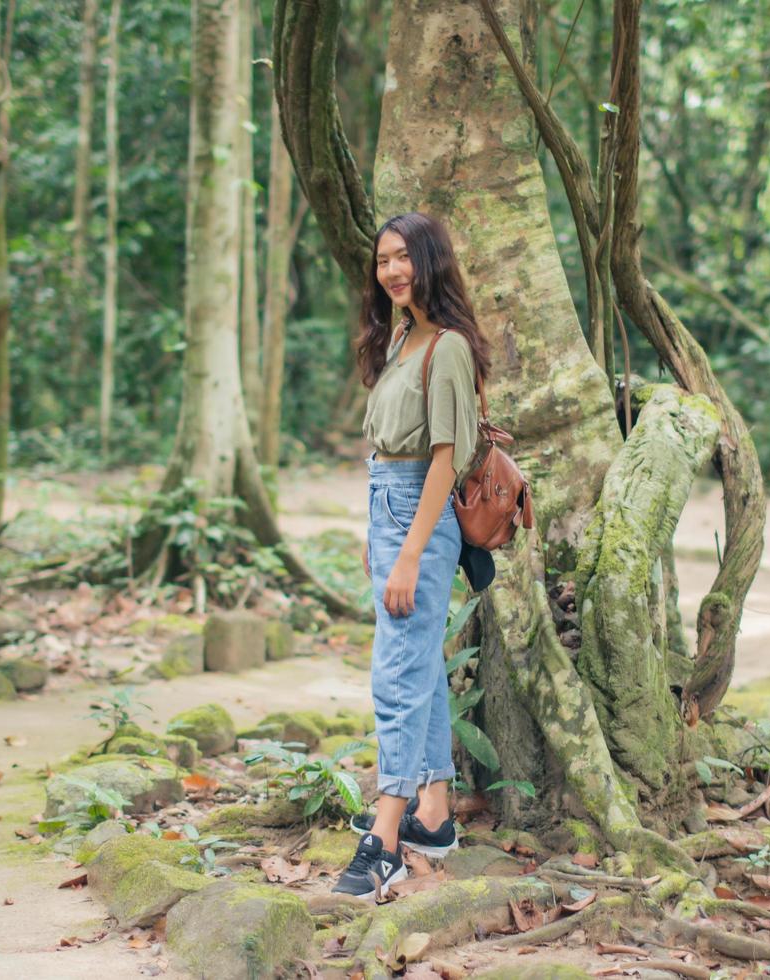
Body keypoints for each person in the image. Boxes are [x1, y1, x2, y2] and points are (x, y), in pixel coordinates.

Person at [332, 211, 490, 900]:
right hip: (389, 509)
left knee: (395, 676)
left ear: (430, 261)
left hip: (418, 516)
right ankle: (434, 812)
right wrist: (381, 537)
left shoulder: (446, 346)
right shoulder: (404, 338)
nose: (392, 270)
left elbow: (445, 461)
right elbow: (388, 456)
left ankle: (385, 840)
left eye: (404, 258)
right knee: (417, 663)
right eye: (383, 260)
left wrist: (410, 552)